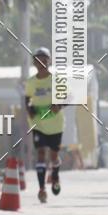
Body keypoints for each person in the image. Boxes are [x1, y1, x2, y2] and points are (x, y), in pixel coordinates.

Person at [25, 47, 64, 203]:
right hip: (38, 123)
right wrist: (29, 109)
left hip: (55, 124)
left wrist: (58, 105)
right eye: (38, 59)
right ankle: (42, 189)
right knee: (40, 154)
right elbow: (27, 98)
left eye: (44, 59)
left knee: (53, 156)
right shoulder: (31, 82)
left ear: (49, 61)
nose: (41, 62)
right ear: (34, 62)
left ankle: (55, 177)